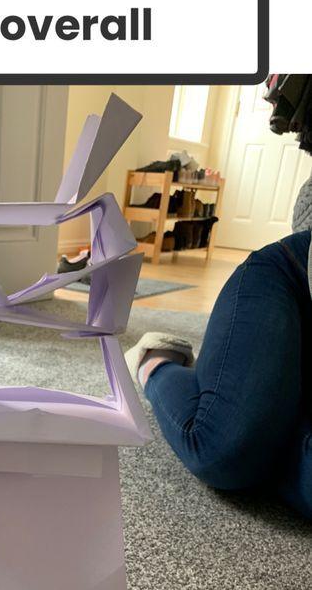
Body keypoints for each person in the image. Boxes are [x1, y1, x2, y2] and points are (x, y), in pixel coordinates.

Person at [126, 77, 312, 520]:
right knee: (219, 449)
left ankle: (259, 404)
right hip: (290, 280)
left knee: (263, 453)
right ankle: (155, 361)